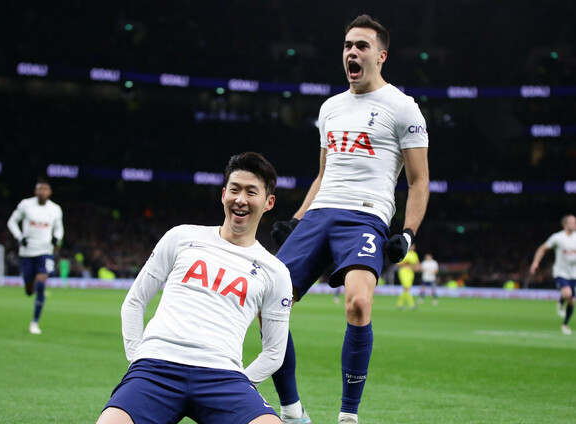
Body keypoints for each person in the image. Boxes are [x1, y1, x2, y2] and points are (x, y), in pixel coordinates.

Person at [268, 14, 429, 424]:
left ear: (381, 55)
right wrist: (297, 218)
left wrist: (408, 234)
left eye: (361, 46)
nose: (351, 52)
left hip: (365, 216)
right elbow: (324, 174)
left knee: (358, 302)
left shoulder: (403, 107)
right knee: (267, 301)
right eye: (347, 46)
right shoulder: (330, 108)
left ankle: (348, 415)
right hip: (320, 213)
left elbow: (419, 180)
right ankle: (291, 410)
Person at [96, 152, 292, 424]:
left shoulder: (275, 271)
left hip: (224, 376)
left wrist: (242, 383)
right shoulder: (182, 236)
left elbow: (274, 353)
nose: (240, 199)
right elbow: (134, 302)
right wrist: (137, 359)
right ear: (223, 194)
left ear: (269, 202)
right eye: (234, 190)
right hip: (156, 367)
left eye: (251, 192)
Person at [7, 181, 64, 335]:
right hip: (27, 251)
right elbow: (12, 222)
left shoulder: (55, 209)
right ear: (35, 192)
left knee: (41, 282)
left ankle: (34, 323)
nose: (42, 192)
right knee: (29, 289)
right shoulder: (26, 205)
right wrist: (19, 237)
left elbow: (59, 228)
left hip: (45, 251)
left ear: (50, 192)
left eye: (45, 189)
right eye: (40, 189)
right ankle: (31, 286)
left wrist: (57, 239)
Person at [530, 214, 576, 335]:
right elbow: (542, 249)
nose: (575, 224)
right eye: (572, 222)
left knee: (571, 302)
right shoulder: (558, 237)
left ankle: (565, 324)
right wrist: (535, 262)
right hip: (561, 272)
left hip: (574, 274)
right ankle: (561, 301)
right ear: (565, 224)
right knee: (567, 294)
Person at [396, 244, 420, 310]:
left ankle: (400, 304)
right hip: (403, 271)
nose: (412, 247)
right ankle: (412, 304)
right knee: (407, 288)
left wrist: (416, 268)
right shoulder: (404, 253)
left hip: (410, 272)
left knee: (406, 289)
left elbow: (417, 264)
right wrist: (405, 263)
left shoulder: (414, 254)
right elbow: (397, 263)